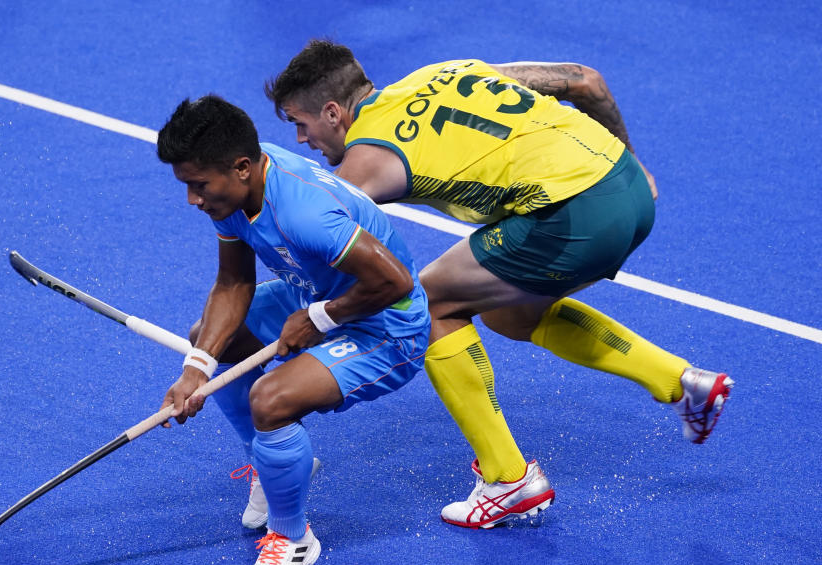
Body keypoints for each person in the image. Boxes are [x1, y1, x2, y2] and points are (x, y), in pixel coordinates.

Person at [264, 40, 733, 529]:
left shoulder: (368, 160)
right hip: (627, 186)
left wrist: (311, 313)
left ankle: (507, 478)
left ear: (335, 112)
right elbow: (585, 82)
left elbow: (323, 239)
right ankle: (682, 383)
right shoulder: (443, 70)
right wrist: (632, 160)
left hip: (573, 214)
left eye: (301, 122)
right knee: (510, 312)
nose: (301, 139)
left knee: (433, 303)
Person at [155, 95, 430, 565]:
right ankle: (267, 465)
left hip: (387, 325)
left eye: (198, 186)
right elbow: (234, 283)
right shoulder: (235, 193)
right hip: (317, 292)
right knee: (208, 342)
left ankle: (292, 538)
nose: (193, 200)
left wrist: (321, 319)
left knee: (271, 399)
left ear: (241, 167)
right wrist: (197, 368)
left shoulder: (304, 212)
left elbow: (394, 281)